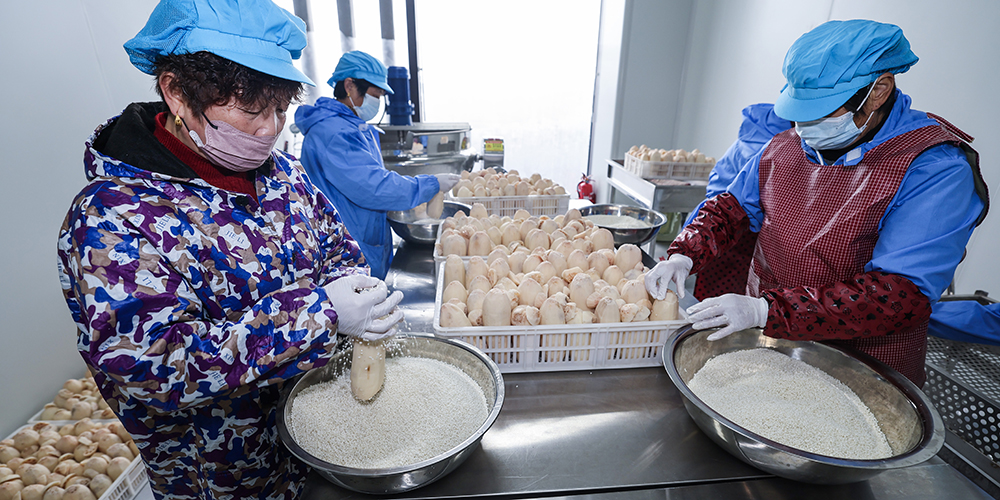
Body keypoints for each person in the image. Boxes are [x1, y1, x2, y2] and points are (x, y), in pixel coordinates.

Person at [56, 1, 404, 498]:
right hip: (227, 479)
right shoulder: (113, 218)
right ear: (177, 92)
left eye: (280, 108)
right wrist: (320, 314)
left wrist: (358, 296)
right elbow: (153, 366)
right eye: (251, 109)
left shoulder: (283, 176)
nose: (269, 129)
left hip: (319, 447)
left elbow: (336, 250)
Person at [646, 19, 989, 386]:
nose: (805, 127)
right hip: (766, 347)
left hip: (860, 371)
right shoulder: (789, 145)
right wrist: (685, 253)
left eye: (822, 111)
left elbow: (898, 296)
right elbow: (731, 208)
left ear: (878, 91)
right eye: (800, 111)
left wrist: (766, 310)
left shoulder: (934, 169)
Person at [294, 51, 461, 279]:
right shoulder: (333, 133)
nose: (378, 103)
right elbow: (373, 187)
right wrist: (429, 184)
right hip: (348, 252)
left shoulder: (352, 126)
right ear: (349, 86)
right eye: (375, 95)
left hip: (363, 242)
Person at [683, 103, 792, 300]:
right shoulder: (776, 148)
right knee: (728, 300)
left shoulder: (754, 130)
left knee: (712, 300)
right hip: (735, 232)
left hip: (715, 225)